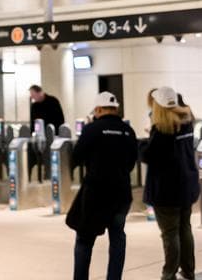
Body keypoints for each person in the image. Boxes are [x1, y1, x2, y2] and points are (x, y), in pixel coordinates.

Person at [65, 91, 137, 280]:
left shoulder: (92, 129)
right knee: (117, 237)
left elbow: (76, 156)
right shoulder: (128, 131)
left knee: (84, 239)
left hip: (96, 194)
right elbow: (132, 162)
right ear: (116, 109)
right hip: (121, 193)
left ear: (98, 109)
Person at [144, 87, 198, 280]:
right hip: (187, 185)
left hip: (167, 190)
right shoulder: (186, 123)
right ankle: (189, 270)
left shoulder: (162, 130)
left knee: (170, 232)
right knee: (185, 228)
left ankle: (169, 273)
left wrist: (142, 144)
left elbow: (148, 155)